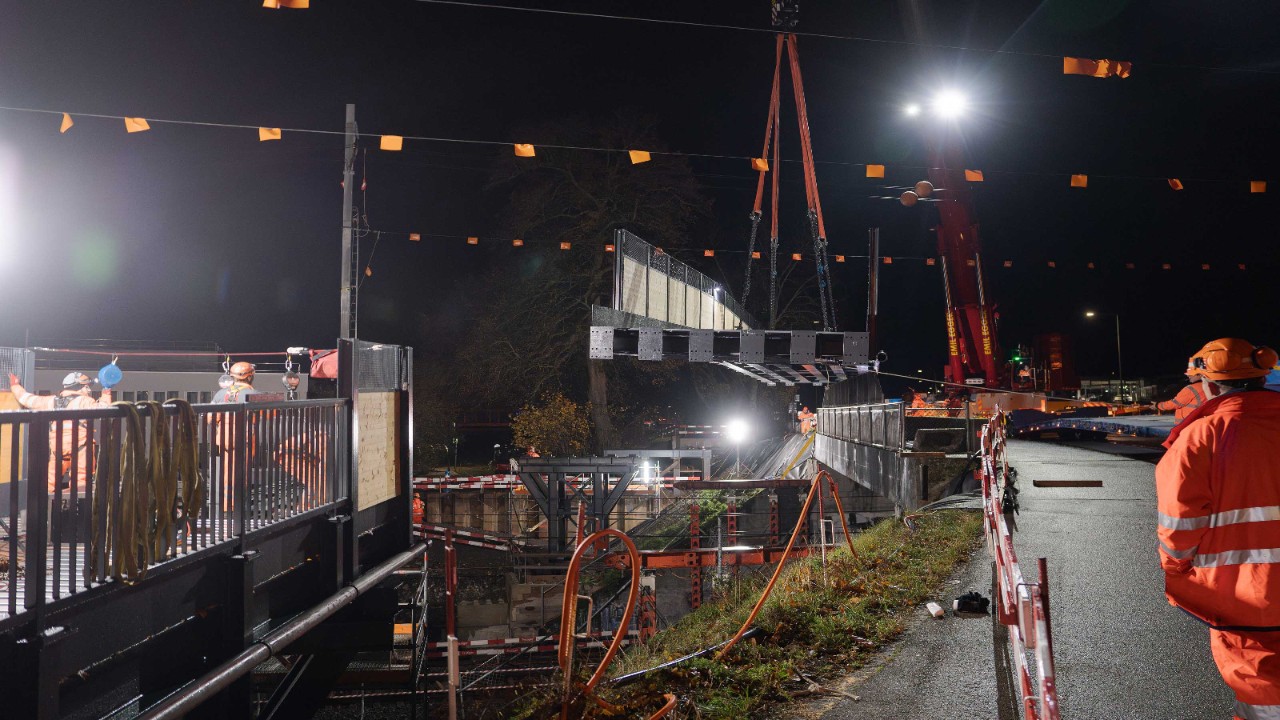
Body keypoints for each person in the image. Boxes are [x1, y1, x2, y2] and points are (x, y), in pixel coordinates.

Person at [1155, 338, 1280, 720]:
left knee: (1261, 687)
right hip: (1249, 591)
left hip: (1245, 594)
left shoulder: (1200, 436)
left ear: (1209, 383)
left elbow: (1180, 522)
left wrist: (1178, 572)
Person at [7, 372, 113, 492]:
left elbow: (27, 399)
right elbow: (105, 410)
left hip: (57, 449)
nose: (88, 390)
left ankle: (47, 507)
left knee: (50, 482)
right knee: (80, 483)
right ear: (80, 386)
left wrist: (15, 386)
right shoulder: (85, 401)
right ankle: (79, 508)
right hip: (81, 448)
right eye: (86, 386)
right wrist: (106, 392)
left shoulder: (53, 401)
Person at [1153, 356, 1222, 420]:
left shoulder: (1191, 389)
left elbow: (1174, 404)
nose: (1188, 376)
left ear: (1200, 373)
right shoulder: (1217, 387)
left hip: (1188, 423)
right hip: (1204, 421)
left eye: (1191, 373)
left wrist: (1157, 405)